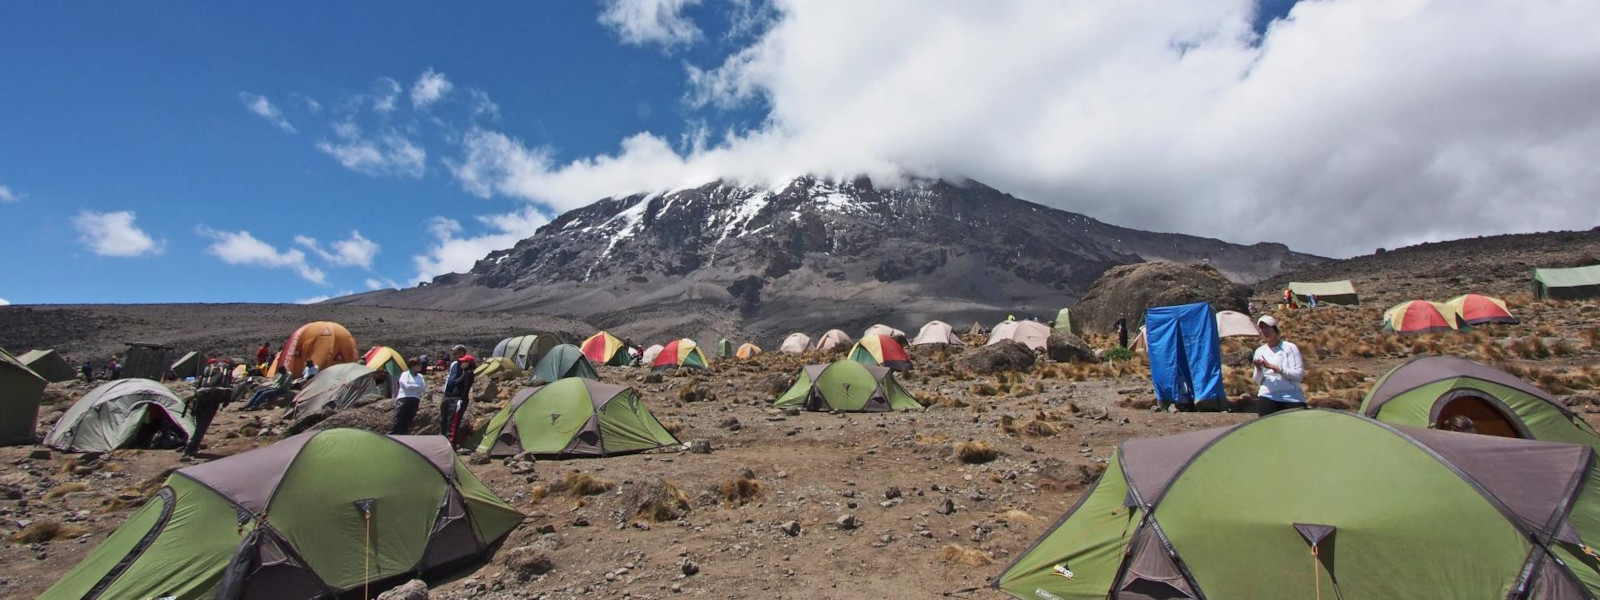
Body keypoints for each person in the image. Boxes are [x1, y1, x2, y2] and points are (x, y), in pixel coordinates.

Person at [1252, 315, 1306, 416]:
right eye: (1262, 328)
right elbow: (1257, 381)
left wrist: (1275, 368)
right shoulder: (1259, 351)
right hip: (1267, 395)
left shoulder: (1290, 348)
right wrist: (1258, 369)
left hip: (1292, 396)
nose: (1265, 330)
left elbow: (1298, 376)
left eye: (1267, 327)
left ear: (1275, 329)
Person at [184, 358, 232, 461]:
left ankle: (193, 444)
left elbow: (198, 383)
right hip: (213, 400)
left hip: (201, 397)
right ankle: (190, 449)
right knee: (203, 425)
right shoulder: (225, 371)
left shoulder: (208, 369)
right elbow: (228, 386)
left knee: (199, 422)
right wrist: (226, 400)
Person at [440, 345, 476, 447]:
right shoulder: (455, 365)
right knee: (444, 419)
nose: (454, 356)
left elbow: (465, 386)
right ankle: (444, 441)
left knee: (452, 421)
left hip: (457, 397)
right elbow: (451, 379)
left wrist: (461, 398)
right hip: (448, 395)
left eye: (455, 353)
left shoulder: (467, 372)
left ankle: (450, 443)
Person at [391, 358, 427, 435]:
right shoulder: (405, 374)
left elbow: (423, 387)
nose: (421, 366)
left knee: (408, 421)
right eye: (419, 364)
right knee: (398, 420)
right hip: (404, 399)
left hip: (415, 399)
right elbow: (406, 386)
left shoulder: (420, 376)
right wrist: (417, 386)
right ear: (413, 366)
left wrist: (413, 386)